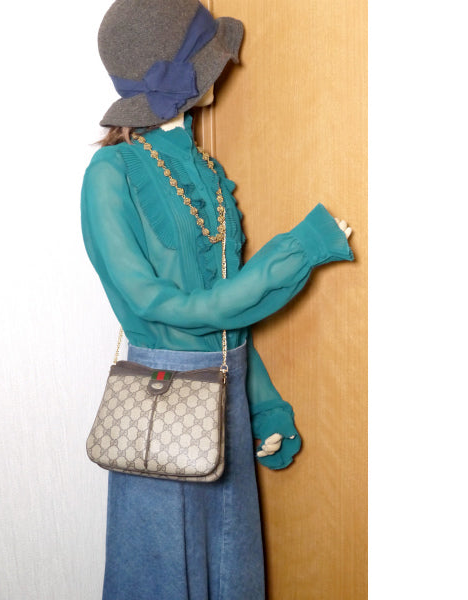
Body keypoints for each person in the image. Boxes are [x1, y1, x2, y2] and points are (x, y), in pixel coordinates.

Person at [81, 1, 354, 598]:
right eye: (207, 57)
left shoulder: (204, 168)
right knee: (162, 577)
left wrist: (262, 405)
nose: (223, 66)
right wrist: (295, 253)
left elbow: (227, 321)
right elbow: (162, 307)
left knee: (233, 574)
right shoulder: (110, 173)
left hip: (225, 401)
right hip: (164, 405)